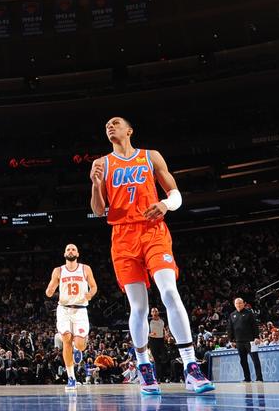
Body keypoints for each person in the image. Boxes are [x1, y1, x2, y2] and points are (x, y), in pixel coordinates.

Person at [89, 116, 214, 396]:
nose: (110, 126)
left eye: (116, 122)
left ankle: (191, 366)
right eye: (107, 124)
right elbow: (98, 210)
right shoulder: (101, 163)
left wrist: (166, 204)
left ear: (129, 130)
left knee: (170, 292)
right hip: (122, 237)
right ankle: (145, 368)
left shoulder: (150, 156)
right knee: (139, 307)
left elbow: (175, 193)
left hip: (153, 230)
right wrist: (96, 185)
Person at [44, 242, 97, 391]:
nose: (71, 251)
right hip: (64, 309)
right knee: (66, 338)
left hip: (80, 310)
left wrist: (90, 294)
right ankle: (71, 378)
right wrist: (49, 290)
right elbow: (50, 288)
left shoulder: (85, 269)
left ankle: (76, 347)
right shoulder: (58, 270)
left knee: (80, 344)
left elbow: (94, 287)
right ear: (64, 254)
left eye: (74, 249)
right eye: (68, 249)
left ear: (77, 254)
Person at [229, 297, 263, 382]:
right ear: (234, 305)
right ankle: (247, 378)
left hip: (250, 341)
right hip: (239, 342)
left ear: (244, 303)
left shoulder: (249, 313)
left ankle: (259, 378)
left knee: (255, 360)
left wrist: (256, 337)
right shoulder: (232, 315)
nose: (238, 305)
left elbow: (255, 326)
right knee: (243, 361)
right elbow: (230, 328)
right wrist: (231, 340)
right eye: (237, 303)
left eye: (240, 303)